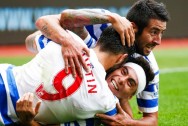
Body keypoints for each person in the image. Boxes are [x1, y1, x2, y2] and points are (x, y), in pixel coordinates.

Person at [34, 0, 170, 125]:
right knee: (35, 39)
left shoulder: (148, 68)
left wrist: (129, 122)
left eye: (161, 33)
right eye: (154, 32)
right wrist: (67, 41)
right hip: (70, 56)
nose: (158, 41)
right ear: (134, 28)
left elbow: (152, 119)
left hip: (101, 90)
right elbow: (52, 21)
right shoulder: (105, 22)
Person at [0, 26, 153, 125]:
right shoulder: (106, 103)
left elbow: (30, 41)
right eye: (124, 72)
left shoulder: (68, 39)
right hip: (7, 112)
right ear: (120, 60)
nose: (121, 80)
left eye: (130, 83)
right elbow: (123, 120)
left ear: (99, 39)